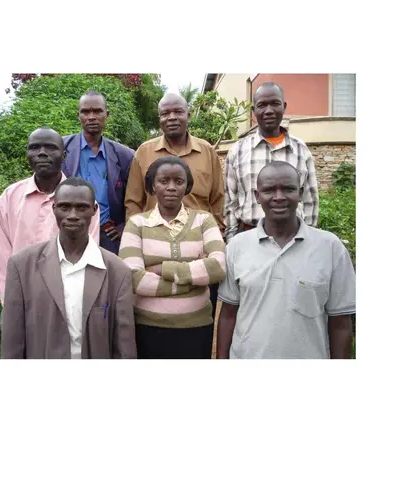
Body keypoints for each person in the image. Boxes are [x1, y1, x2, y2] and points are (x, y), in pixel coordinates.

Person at [217, 161, 355, 359]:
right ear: (257, 196)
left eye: (288, 189)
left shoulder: (330, 247)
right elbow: (228, 314)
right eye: (269, 190)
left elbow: (340, 323)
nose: (279, 197)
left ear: (300, 193)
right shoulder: (237, 247)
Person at [1, 177, 136, 359]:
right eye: (64, 207)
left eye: (82, 208)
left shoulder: (118, 271)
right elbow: (12, 341)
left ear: (94, 210)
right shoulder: (22, 266)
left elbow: (124, 345)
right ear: (54, 208)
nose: (73, 215)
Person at [124, 93, 225, 321]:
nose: (171, 117)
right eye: (165, 113)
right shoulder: (144, 152)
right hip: (154, 250)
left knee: (200, 312)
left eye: (178, 112)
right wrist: (136, 242)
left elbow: (218, 198)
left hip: (198, 251)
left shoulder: (207, 151)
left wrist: (215, 241)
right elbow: (133, 201)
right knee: (151, 312)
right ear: (159, 118)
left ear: (189, 114)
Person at [119, 157, 226, 359]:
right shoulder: (136, 224)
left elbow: (218, 267)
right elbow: (133, 278)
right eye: (163, 181)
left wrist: (161, 269)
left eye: (178, 181)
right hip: (147, 328)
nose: (171, 187)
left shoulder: (204, 220)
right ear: (153, 186)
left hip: (197, 328)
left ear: (187, 186)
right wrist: (194, 279)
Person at [0, 127, 100, 304]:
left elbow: (89, 252)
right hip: (19, 296)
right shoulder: (10, 197)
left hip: (68, 300)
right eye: (34, 147)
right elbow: (0, 256)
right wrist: (10, 302)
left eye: (50, 147)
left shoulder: (84, 199)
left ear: (63, 155)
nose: (42, 153)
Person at [224, 82, 319, 242]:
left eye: (275, 103)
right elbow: (230, 201)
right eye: (262, 105)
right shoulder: (237, 151)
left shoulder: (300, 149)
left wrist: (308, 240)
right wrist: (232, 241)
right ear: (253, 111)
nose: (269, 111)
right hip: (249, 237)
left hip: (294, 238)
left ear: (284, 107)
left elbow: (310, 199)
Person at [62, 91, 135, 255]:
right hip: (67, 234)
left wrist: (124, 227)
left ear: (106, 115)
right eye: (85, 112)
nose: (91, 117)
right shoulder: (61, 148)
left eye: (97, 111)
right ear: (78, 115)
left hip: (107, 235)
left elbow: (134, 197)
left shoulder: (124, 155)